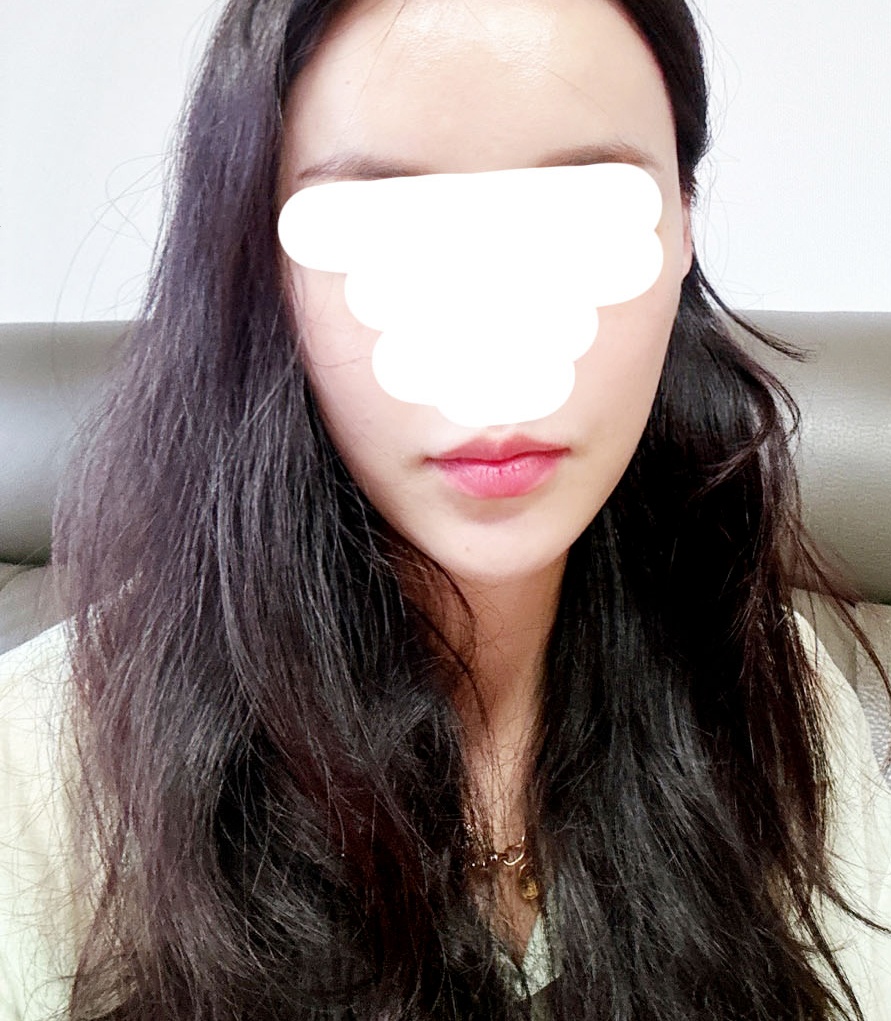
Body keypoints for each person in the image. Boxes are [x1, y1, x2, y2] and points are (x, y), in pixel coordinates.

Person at [1, 0, 890, 1018]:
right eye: (384, 233)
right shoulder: (38, 778)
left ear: (682, 225)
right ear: (264, 264)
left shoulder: (769, 689)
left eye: (576, 221)